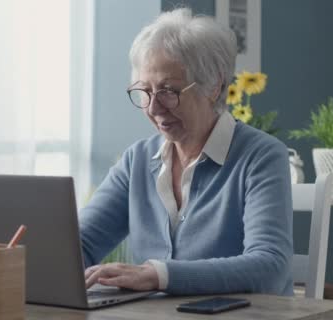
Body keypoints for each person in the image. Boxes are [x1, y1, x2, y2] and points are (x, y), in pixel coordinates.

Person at [80, 8, 293, 296]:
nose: (153, 108)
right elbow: (80, 244)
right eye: (145, 91)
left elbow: (269, 267)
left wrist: (159, 275)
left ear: (214, 87)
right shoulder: (137, 160)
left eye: (168, 91)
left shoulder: (261, 157)